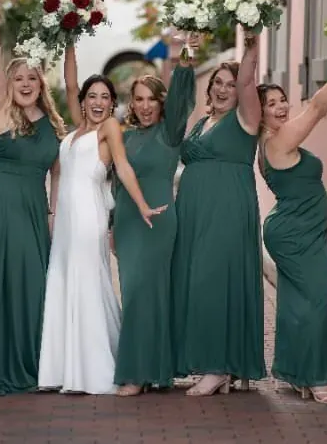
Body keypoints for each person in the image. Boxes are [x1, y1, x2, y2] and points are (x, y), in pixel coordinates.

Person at [37, 45, 166, 395]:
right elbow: (68, 80)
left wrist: (141, 204)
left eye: (105, 97)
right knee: (64, 282)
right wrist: (69, 34)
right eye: (91, 96)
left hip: (88, 216)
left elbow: (122, 167)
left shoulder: (109, 128)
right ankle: (64, 368)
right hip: (65, 219)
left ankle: (95, 368)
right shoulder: (75, 131)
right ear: (82, 102)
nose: (98, 102)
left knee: (87, 284)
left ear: (112, 104)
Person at [0, 0, 66, 395]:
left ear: (40, 83)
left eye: (32, 78)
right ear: (9, 84)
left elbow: (59, 176)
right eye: (19, 78)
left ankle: (31, 365)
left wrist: (53, 213)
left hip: (33, 210)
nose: (25, 84)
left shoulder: (52, 124)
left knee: (31, 285)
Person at [258, 53, 327, 405]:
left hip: (304, 230)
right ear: (260, 114)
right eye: (271, 104)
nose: (281, 106)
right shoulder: (277, 141)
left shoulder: (279, 140)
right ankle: (316, 379)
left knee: (297, 302)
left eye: (282, 99)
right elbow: (316, 109)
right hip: (295, 233)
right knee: (317, 299)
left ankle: (296, 373)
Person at [170, 30, 264, 396]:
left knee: (214, 282)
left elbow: (248, 77)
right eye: (218, 83)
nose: (224, 89)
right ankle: (216, 363)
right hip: (193, 216)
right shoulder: (201, 122)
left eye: (230, 84)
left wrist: (252, 40)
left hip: (226, 212)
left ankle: (218, 365)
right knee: (196, 284)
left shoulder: (245, 119)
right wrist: (188, 51)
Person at [110, 35, 199, 396]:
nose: (146, 106)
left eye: (153, 100)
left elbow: (183, 94)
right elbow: (117, 186)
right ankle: (155, 370)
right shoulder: (127, 137)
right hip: (129, 224)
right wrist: (113, 227)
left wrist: (186, 54)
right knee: (136, 292)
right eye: (139, 99)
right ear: (132, 103)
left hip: (158, 220)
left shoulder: (170, 132)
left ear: (163, 104)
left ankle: (136, 373)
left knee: (141, 295)